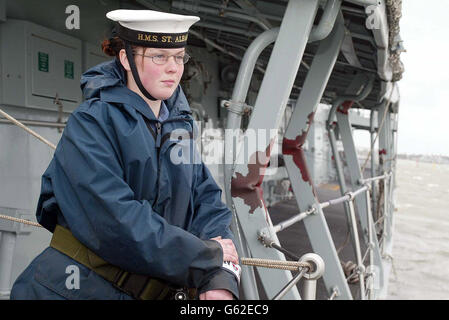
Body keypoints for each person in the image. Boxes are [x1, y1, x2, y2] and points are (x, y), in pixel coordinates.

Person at [10, 9, 240, 300]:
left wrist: (220, 279)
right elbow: (114, 220)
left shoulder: (178, 123)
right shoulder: (92, 121)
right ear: (126, 59)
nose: (174, 68)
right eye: (159, 56)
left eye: (179, 57)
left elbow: (207, 203)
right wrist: (206, 256)